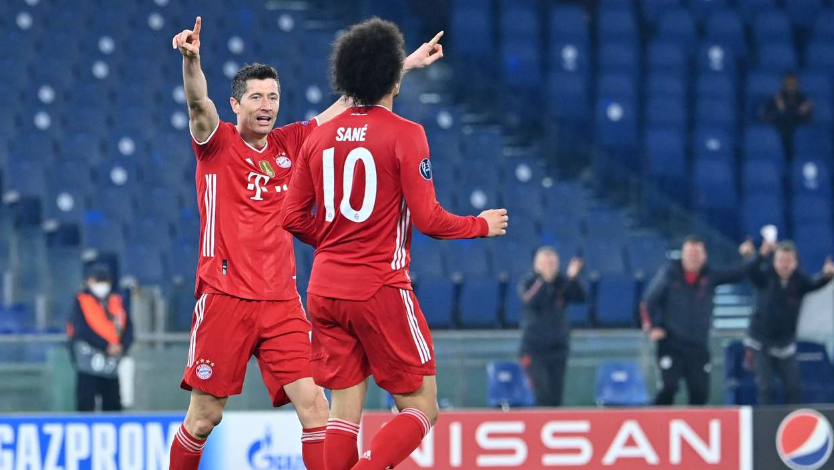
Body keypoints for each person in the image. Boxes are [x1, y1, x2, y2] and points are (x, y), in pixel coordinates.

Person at [167, 17, 445, 470]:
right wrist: (191, 62)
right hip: (224, 298)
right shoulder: (216, 143)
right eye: (256, 97)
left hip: (282, 303)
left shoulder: (292, 142)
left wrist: (402, 66)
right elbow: (198, 101)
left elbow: (350, 100)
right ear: (235, 103)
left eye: (273, 97)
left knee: (317, 409)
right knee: (204, 418)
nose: (266, 106)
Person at [281, 18, 508, 470]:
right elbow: (428, 219)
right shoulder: (406, 133)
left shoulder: (319, 136)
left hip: (325, 289)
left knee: (344, 411)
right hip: (378, 288)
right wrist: (479, 225)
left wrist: (336, 241)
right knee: (422, 407)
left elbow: (290, 216)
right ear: (394, 80)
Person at [641, 236, 756, 405]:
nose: (693, 258)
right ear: (683, 255)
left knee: (700, 393)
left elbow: (737, 273)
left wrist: (750, 257)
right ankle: (657, 421)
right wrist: (652, 327)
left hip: (698, 346)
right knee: (668, 388)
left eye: (697, 254)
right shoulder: (669, 274)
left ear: (704, 256)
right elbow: (648, 302)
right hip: (671, 344)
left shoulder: (710, 276)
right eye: (690, 254)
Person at [745, 240, 834, 405]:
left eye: (789, 260)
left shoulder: (799, 280)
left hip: (785, 345)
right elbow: (752, 271)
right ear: (774, 261)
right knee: (767, 387)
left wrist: (827, 276)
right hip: (760, 344)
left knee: (794, 387)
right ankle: (764, 420)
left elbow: (815, 284)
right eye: (781, 260)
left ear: (796, 262)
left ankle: (790, 420)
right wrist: (757, 255)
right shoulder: (765, 276)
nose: (784, 265)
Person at [517, 246, 585, 407]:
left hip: (558, 348)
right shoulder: (528, 282)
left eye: (553, 263)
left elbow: (580, 297)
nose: (550, 266)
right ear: (536, 264)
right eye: (546, 263)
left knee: (556, 396)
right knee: (541, 394)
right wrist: (544, 280)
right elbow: (530, 301)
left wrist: (572, 278)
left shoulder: (561, 282)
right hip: (534, 349)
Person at [67, 264, 133, 412]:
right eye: (97, 281)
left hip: (112, 364)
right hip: (88, 363)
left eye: (104, 281)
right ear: (89, 281)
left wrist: (122, 346)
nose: (101, 285)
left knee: (113, 403)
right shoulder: (80, 301)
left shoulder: (117, 301)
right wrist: (105, 346)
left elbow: (128, 328)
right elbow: (81, 330)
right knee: (86, 402)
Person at [760, 72, 813, 160]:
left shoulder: (803, 100)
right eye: (788, 83)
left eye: (793, 83)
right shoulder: (777, 98)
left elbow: (808, 120)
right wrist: (793, 112)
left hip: (797, 136)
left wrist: (787, 112)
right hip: (780, 133)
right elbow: (765, 117)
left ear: (798, 85)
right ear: (783, 84)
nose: (790, 86)